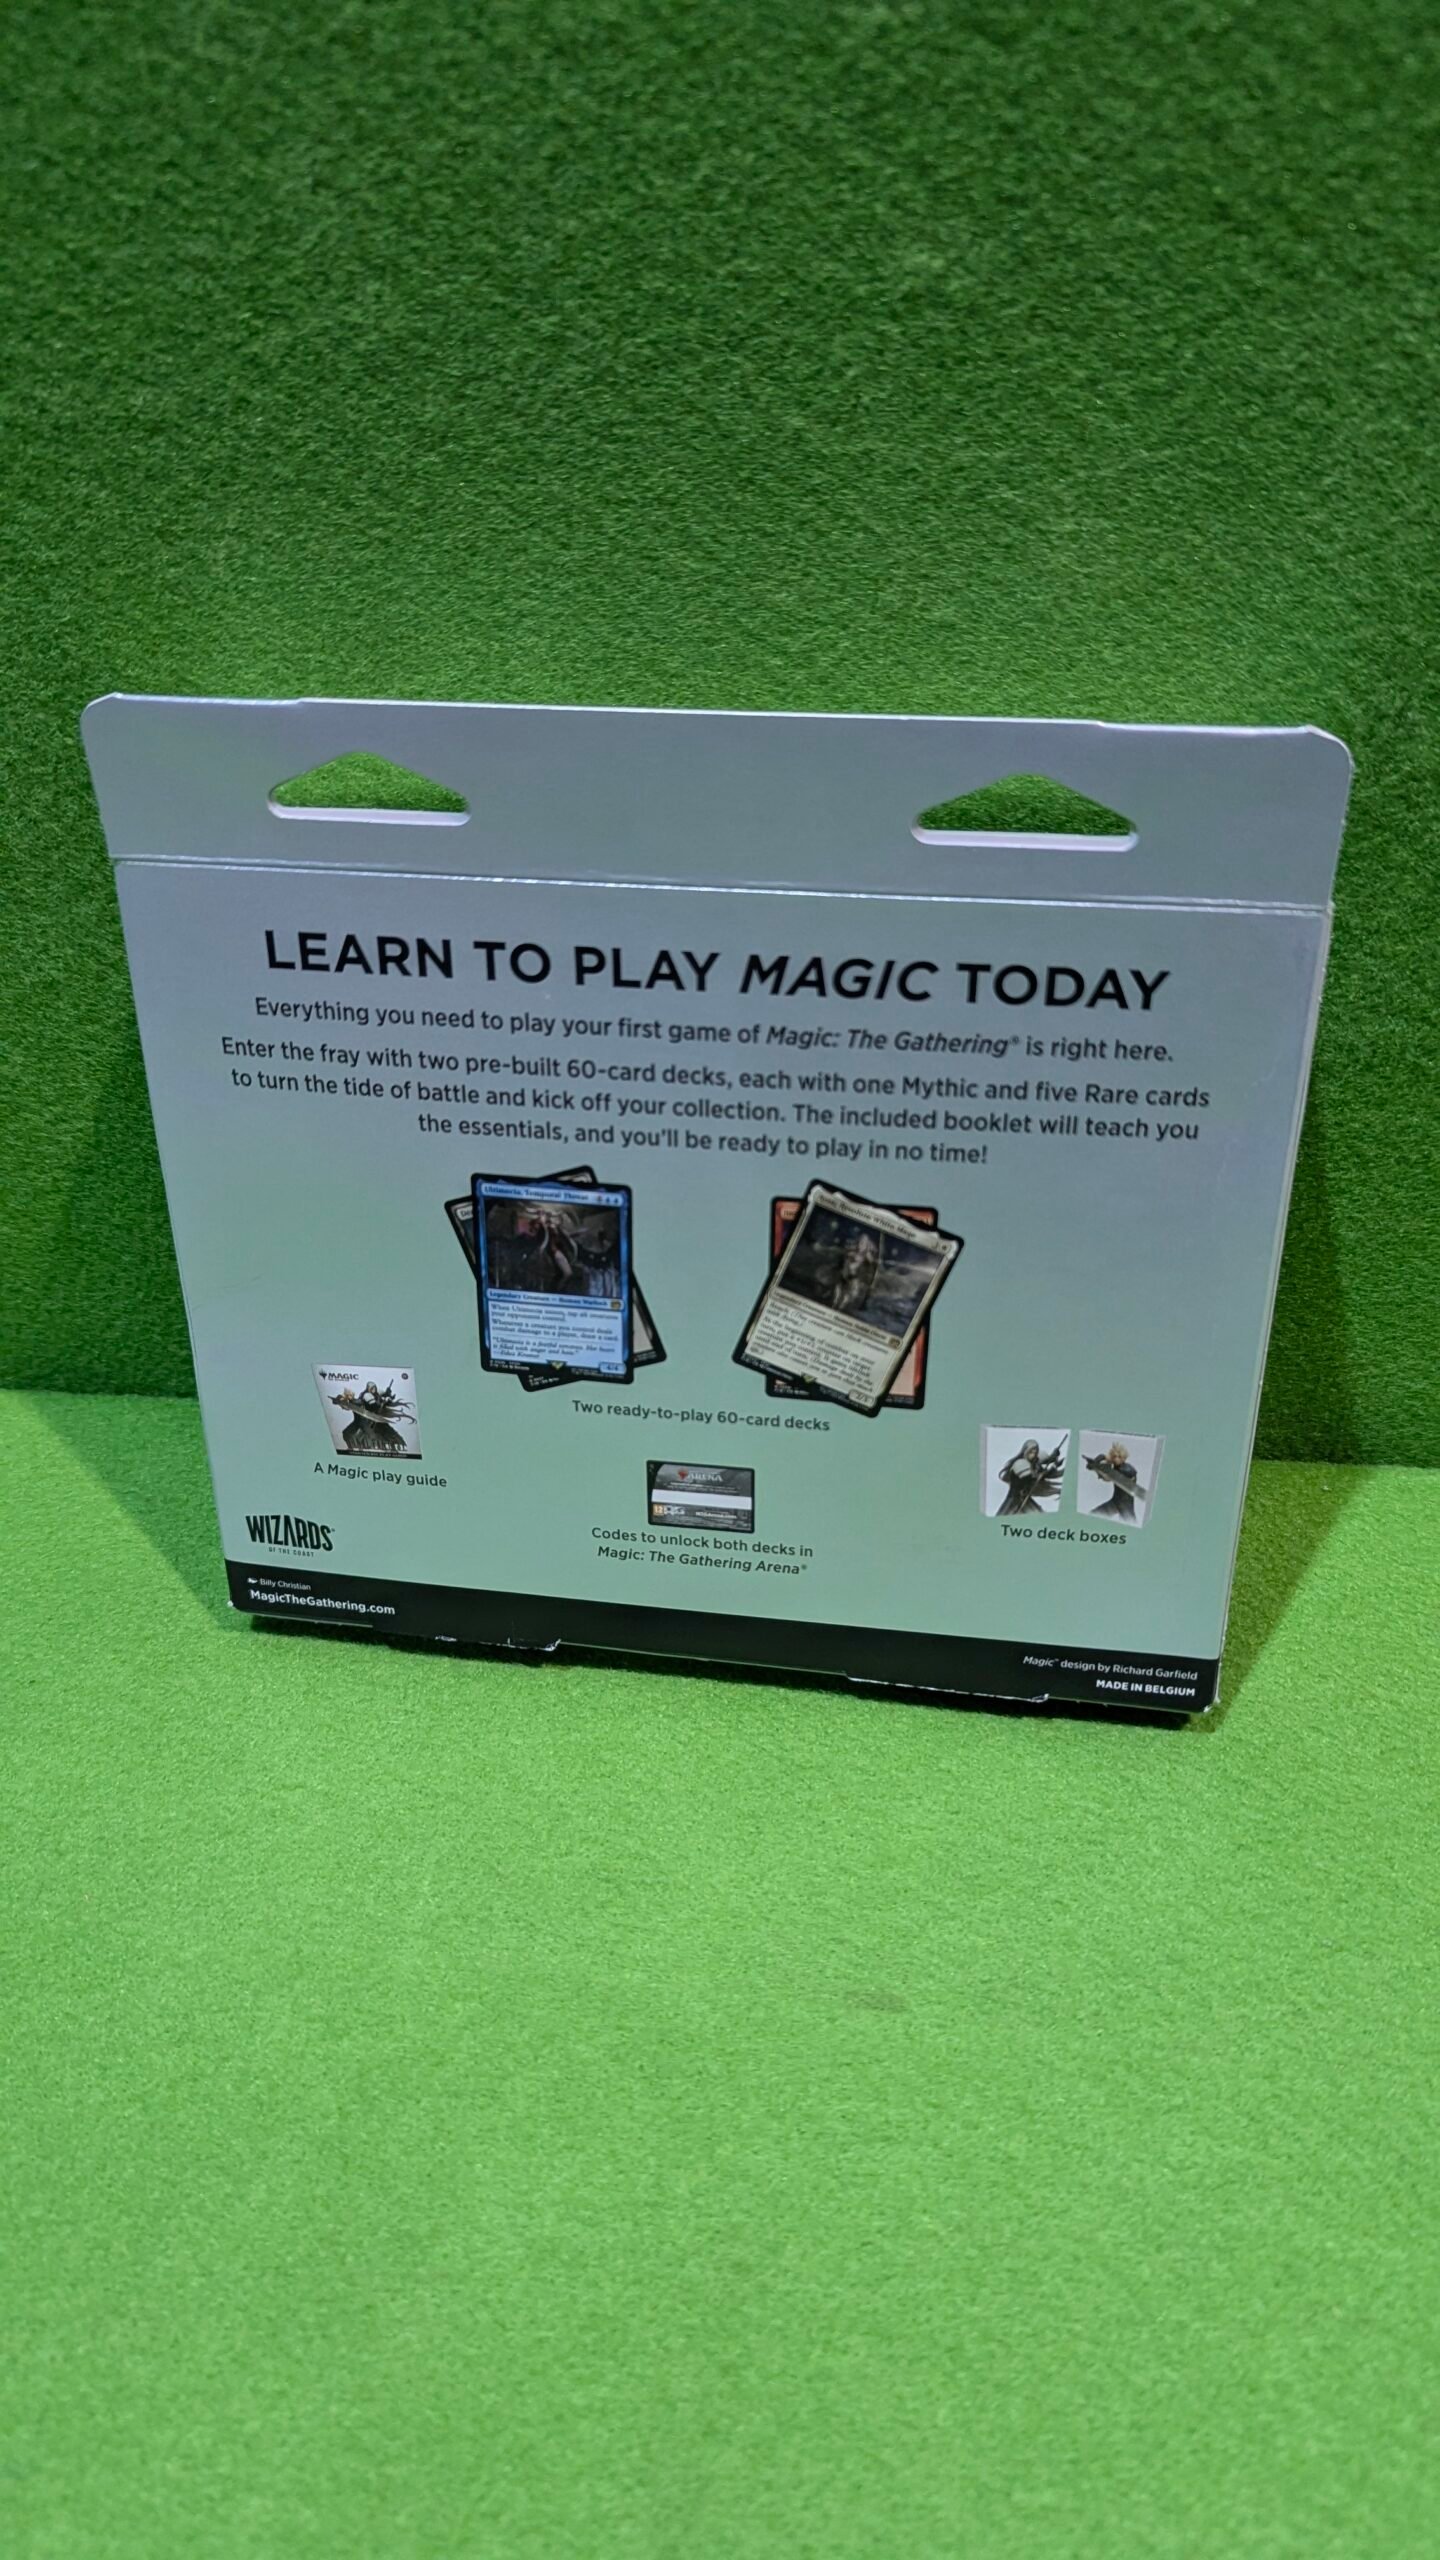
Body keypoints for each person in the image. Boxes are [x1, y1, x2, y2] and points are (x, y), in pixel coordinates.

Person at [997, 1437, 1066, 1515]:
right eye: (1031, 1452)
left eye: (1035, 1452)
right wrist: (1054, 1467)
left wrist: (1054, 1455)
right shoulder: (1020, 1464)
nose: (1033, 1455)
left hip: (1025, 1498)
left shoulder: (1034, 1462)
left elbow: (1047, 1461)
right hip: (1015, 1501)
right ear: (1026, 1451)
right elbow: (1035, 1479)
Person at [1084, 1441, 1146, 1522]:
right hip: (1115, 1502)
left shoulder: (1128, 1469)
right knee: (1094, 1514)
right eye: (1114, 1456)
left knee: (1130, 1523)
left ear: (1123, 1457)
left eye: (1119, 1456)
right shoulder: (1115, 1467)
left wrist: (1101, 1468)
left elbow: (1127, 1474)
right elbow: (1107, 1478)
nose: (1116, 1458)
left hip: (1126, 1505)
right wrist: (1097, 1462)